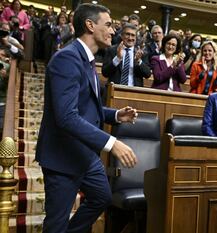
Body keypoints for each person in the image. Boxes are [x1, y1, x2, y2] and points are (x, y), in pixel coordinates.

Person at [35, 4, 138, 233]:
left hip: (85, 154)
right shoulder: (67, 59)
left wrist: (115, 115)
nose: (114, 32)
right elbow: (66, 117)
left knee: (101, 197)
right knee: (56, 224)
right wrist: (112, 143)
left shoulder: (88, 59)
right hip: (62, 157)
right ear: (90, 25)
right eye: (109, 25)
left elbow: (86, 106)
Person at [102, 23, 150, 88]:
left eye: (133, 35)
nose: (130, 38)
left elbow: (147, 74)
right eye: (127, 34)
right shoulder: (112, 50)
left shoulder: (141, 53)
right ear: (121, 36)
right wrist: (117, 58)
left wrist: (139, 61)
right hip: (114, 90)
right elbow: (105, 73)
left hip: (135, 92)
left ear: (136, 38)